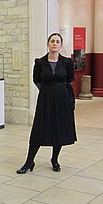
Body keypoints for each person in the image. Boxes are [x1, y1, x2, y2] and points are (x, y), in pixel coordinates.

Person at [17, 33, 77, 174]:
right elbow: (36, 79)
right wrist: (47, 91)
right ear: (48, 44)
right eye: (52, 41)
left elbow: (70, 79)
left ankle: (54, 160)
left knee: (59, 129)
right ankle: (29, 162)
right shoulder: (40, 62)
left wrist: (59, 91)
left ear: (61, 45)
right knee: (39, 129)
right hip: (46, 99)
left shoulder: (67, 62)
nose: (54, 43)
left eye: (57, 41)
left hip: (62, 98)